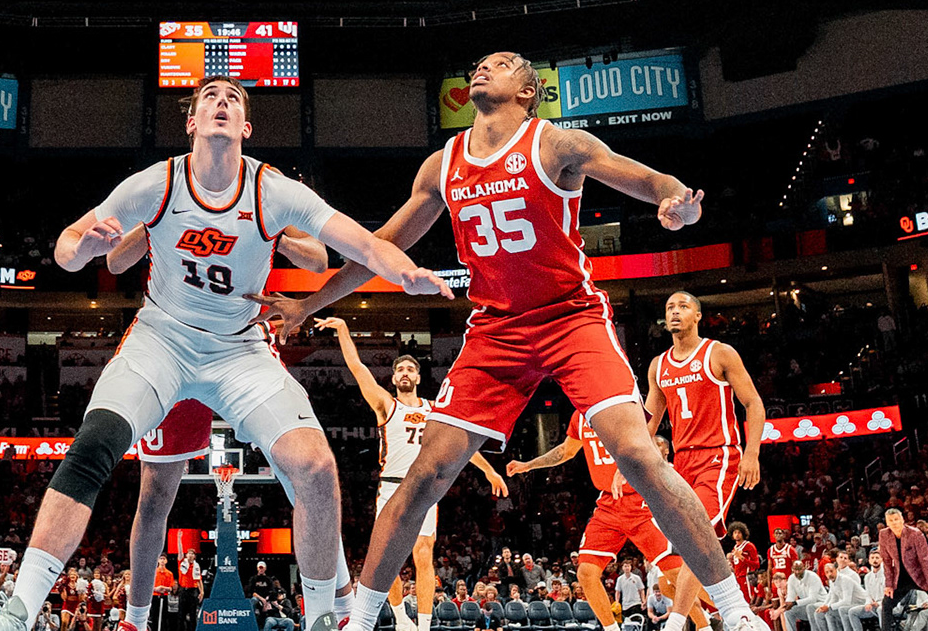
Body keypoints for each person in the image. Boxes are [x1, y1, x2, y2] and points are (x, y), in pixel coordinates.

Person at [252, 51, 765, 631]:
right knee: (426, 475)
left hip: (570, 317)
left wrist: (676, 202)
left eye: (501, 64)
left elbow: (645, 177)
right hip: (496, 331)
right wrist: (306, 303)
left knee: (638, 454)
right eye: (480, 63)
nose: (482, 67)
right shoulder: (441, 166)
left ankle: (736, 611)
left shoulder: (556, 145)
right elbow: (380, 247)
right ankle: (362, 619)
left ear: (529, 91)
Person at [0, 77, 451, 631]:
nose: (221, 102)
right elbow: (68, 244)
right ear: (191, 122)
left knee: (315, 467)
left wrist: (405, 273)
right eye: (210, 96)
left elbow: (359, 241)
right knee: (93, 447)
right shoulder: (157, 182)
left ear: (246, 127)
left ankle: (322, 618)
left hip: (240, 348)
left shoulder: (272, 190)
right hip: (163, 338)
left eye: (233, 99)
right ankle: (18, 614)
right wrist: (83, 249)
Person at [102, 226, 355, 631]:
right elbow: (115, 262)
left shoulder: (261, 188)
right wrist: (153, 223)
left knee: (307, 470)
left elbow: (318, 258)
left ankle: (334, 609)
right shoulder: (167, 187)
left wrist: (273, 235)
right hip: (170, 348)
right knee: (155, 494)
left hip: (241, 349)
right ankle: (134, 621)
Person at [315, 316, 506, 631]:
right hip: (391, 486)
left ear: (418, 376)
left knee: (423, 552)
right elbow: (358, 370)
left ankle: (425, 623)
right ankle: (401, 617)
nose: (404, 373)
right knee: (388, 558)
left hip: (426, 488)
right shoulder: (385, 405)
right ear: (393, 379)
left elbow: (460, 448)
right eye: (399, 369)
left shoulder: (436, 410)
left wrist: (489, 472)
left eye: (410, 369)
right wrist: (344, 332)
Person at [646, 292, 766, 631]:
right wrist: (626, 460)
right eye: (669, 307)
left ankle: (678, 623)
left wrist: (752, 453)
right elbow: (649, 422)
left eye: (683, 307)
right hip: (681, 462)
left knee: (697, 537)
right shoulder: (659, 365)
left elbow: (753, 404)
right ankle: (742, 615)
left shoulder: (719, 353)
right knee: (691, 544)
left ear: (698, 316)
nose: (675, 312)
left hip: (718, 454)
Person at [506, 416, 680, 631]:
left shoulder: (620, 405)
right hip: (609, 502)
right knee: (586, 572)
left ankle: (713, 617)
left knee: (677, 575)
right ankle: (611, 629)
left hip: (641, 498)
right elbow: (564, 452)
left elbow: (653, 442)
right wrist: (529, 465)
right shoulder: (579, 416)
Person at [879, 508, 928, 631]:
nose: (894, 522)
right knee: (886, 604)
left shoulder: (915, 534)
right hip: (900, 578)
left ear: (902, 520)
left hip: (919, 575)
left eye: (896, 519)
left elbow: (925, 560)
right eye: (891, 520)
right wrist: (889, 584)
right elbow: (887, 562)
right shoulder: (884, 534)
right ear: (887, 523)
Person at [810, 553, 863, 631]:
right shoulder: (833, 579)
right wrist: (825, 605)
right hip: (840, 604)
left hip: (854, 603)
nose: (842, 560)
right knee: (819, 612)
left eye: (845, 558)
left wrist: (829, 607)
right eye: (841, 557)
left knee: (832, 611)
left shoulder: (849, 577)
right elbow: (832, 595)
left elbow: (848, 600)